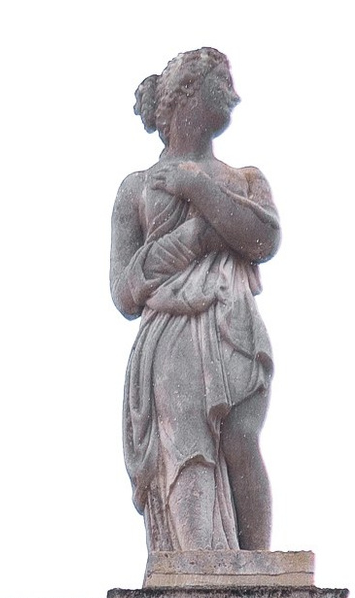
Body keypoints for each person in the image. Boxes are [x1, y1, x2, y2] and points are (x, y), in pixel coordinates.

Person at [109, 48, 279, 564]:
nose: (235, 95)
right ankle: (199, 569)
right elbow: (124, 291)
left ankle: (256, 570)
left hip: (234, 320)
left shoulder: (245, 179)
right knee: (188, 447)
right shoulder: (136, 188)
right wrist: (199, 238)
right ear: (186, 93)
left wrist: (198, 188)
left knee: (242, 438)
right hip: (173, 334)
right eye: (221, 82)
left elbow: (264, 237)